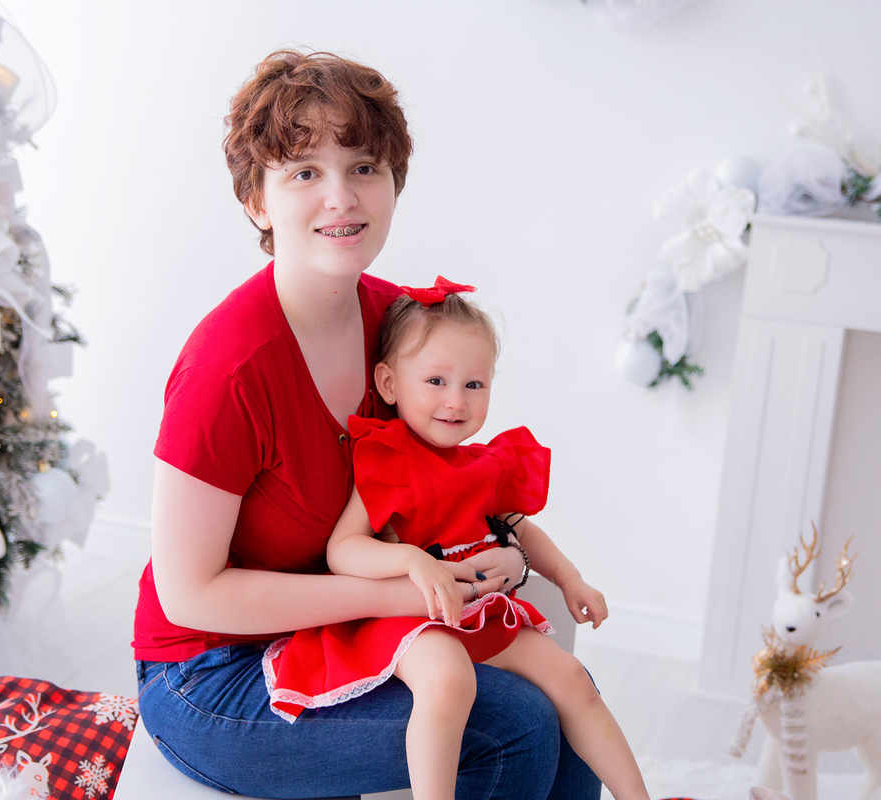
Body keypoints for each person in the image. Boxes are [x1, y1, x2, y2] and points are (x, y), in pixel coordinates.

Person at [132, 49, 603, 799]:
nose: (341, 197)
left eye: (363, 167)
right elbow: (191, 595)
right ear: (257, 201)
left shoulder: (399, 328)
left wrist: (502, 559)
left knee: (561, 699)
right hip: (210, 674)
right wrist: (403, 595)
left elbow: (446, 483)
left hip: (340, 631)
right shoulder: (228, 370)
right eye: (304, 173)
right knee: (511, 724)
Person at [263, 280, 652, 800]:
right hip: (409, 618)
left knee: (573, 679)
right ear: (389, 383)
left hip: (479, 611)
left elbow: (522, 530)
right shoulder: (389, 458)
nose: (456, 401)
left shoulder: (483, 465)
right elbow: (344, 549)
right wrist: (412, 561)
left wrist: (570, 579)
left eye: (474, 384)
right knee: (448, 680)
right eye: (436, 381)